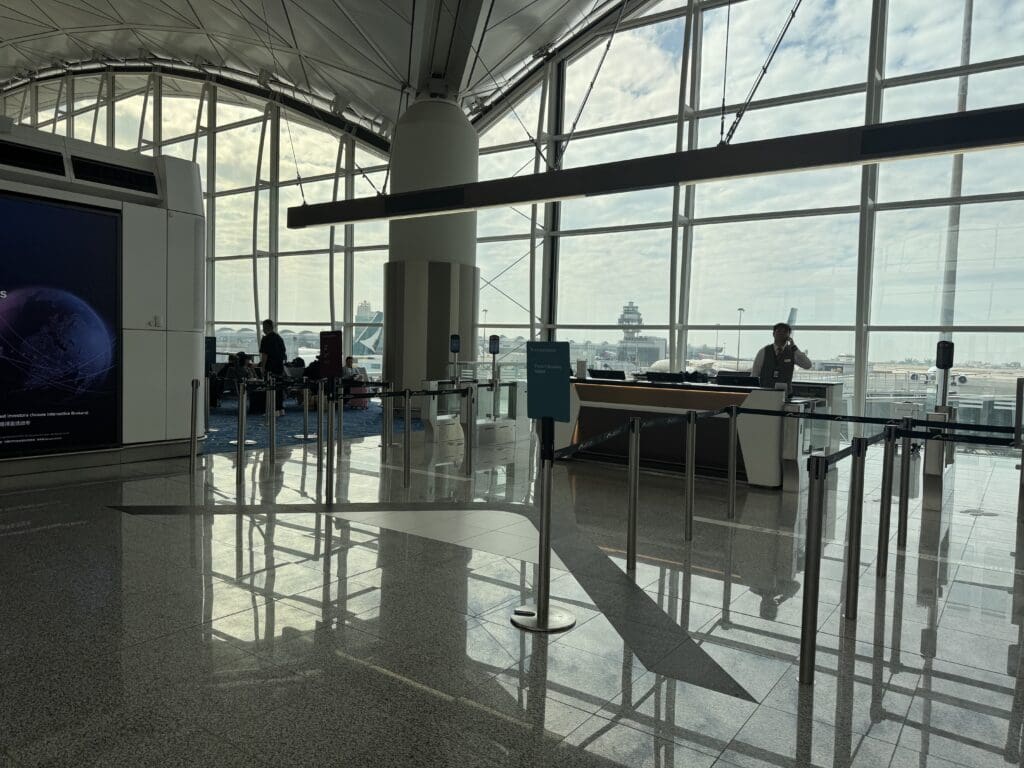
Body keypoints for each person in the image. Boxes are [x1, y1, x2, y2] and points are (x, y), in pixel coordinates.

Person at [752, 322, 812, 387]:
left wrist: (794, 348)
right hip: (765, 391)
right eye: (779, 331)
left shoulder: (792, 352)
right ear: (773, 334)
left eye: (785, 332)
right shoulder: (764, 351)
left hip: (785, 392)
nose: (781, 333)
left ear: (789, 335)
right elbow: (755, 374)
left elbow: (808, 365)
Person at [259, 319, 287, 415]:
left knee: (269, 388)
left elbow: (265, 355)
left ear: (266, 327)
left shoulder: (266, 339)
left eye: (263, 327)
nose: (263, 329)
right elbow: (284, 355)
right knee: (279, 388)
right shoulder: (279, 338)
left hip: (270, 368)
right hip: (279, 367)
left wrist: (263, 367)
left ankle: (272, 409)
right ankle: (280, 409)